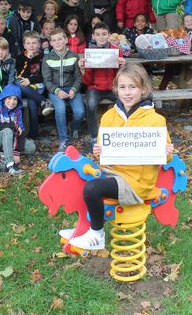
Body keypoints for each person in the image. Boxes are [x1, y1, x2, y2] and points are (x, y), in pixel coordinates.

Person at [63, 63, 174, 250]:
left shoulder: (155, 120)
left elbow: (165, 157)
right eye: (122, 87)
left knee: (92, 189)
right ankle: (84, 227)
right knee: (80, 182)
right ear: (115, 89)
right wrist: (99, 153)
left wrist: (166, 153)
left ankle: (97, 234)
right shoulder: (108, 117)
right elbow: (104, 154)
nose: (127, 92)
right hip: (113, 172)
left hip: (137, 183)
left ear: (143, 89)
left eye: (133, 87)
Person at [78, 22, 125, 147]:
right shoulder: (89, 52)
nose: (101, 37)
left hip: (112, 87)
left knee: (126, 102)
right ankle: (95, 136)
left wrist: (122, 66)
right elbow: (87, 81)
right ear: (93, 36)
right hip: (95, 87)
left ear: (109, 35)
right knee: (91, 105)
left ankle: (123, 132)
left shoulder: (116, 50)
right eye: (98, 34)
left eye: (104, 34)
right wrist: (84, 70)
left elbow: (121, 77)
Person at [42, 28, 85, 151]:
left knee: (80, 112)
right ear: (50, 43)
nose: (57, 42)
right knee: (60, 109)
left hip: (71, 88)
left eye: (60, 39)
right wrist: (57, 91)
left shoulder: (74, 56)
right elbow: (47, 80)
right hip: (55, 90)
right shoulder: (47, 58)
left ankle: (73, 126)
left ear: (66, 39)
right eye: (54, 40)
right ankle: (63, 138)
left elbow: (78, 78)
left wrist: (74, 89)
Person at [0, 84, 36, 176]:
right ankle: (10, 165)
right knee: (7, 130)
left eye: (15, 99)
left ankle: (6, 151)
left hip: (10, 138)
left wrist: (16, 152)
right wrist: (14, 126)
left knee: (31, 147)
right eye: (9, 98)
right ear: (4, 98)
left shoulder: (17, 110)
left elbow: (21, 131)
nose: (12, 102)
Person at [15, 30, 53, 139]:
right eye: (28, 43)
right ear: (24, 45)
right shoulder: (20, 57)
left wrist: (30, 81)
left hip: (38, 87)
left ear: (39, 44)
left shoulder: (43, 57)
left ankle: (33, 136)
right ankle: (43, 102)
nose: (31, 46)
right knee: (18, 82)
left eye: (34, 43)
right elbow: (21, 75)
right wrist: (28, 59)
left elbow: (43, 75)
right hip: (24, 88)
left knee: (32, 102)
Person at [158, 13, 192, 90]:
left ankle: (177, 77)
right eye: (187, 21)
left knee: (182, 69)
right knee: (169, 66)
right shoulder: (180, 31)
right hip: (180, 54)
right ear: (183, 24)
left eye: (191, 20)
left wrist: (187, 47)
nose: (189, 22)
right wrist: (179, 46)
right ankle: (162, 88)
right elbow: (176, 41)